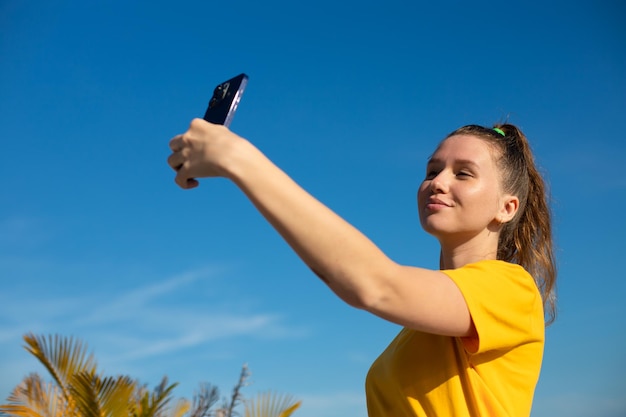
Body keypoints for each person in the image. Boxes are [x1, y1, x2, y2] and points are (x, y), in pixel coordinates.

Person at [167, 119, 557, 417]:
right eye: (431, 171)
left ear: (507, 208)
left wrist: (239, 159)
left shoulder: (513, 290)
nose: (437, 182)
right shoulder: (419, 328)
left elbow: (374, 285)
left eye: (463, 173)